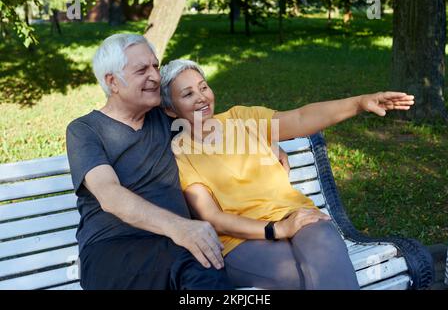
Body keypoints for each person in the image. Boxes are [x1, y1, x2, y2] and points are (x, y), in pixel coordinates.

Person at [160, 59, 415, 290]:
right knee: (306, 279)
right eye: (187, 94)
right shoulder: (181, 152)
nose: (201, 97)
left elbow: (301, 117)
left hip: (298, 217)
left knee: (325, 264)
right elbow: (213, 218)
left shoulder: (242, 119)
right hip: (241, 242)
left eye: (203, 87)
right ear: (171, 110)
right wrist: (277, 229)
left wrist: (359, 103)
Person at [65, 34, 233, 290]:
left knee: (203, 264)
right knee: (200, 263)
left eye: (155, 66)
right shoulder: (86, 130)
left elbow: (210, 125)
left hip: (173, 248)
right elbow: (110, 195)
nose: (155, 76)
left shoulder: (164, 119)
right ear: (113, 82)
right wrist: (180, 228)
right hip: (112, 251)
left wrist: (262, 145)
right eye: (142, 70)